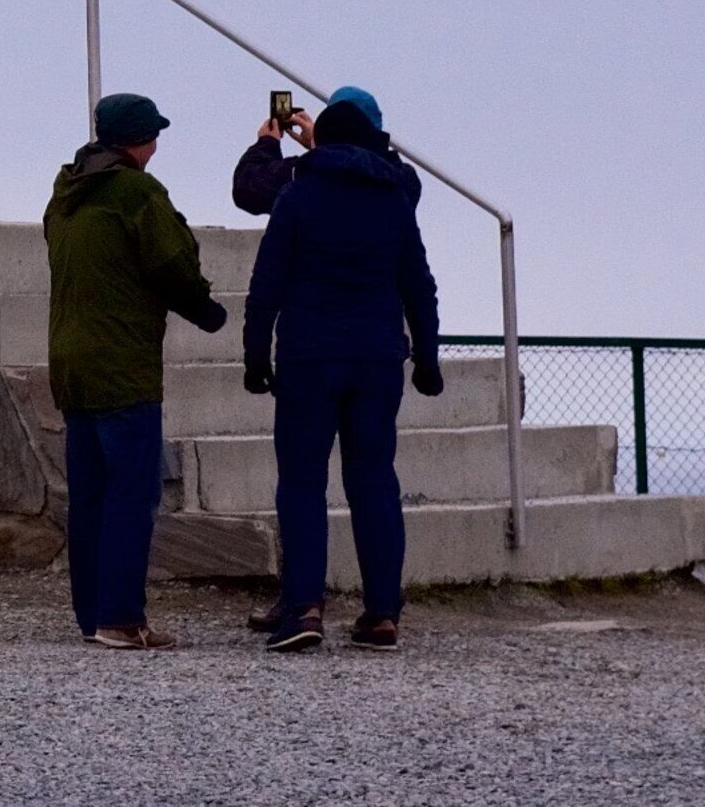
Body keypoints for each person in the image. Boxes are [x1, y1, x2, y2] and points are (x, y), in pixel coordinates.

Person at [242, 95, 445, 653]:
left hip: (309, 357)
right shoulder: (395, 198)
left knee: (302, 481)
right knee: (374, 481)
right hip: (378, 359)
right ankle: (382, 613)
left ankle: (305, 607)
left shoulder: (298, 195)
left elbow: (266, 287)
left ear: (321, 140)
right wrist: (427, 358)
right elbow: (419, 286)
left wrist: (255, 356)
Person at [44, 92, 229, 649]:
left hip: (72, 365)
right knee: (129, 494)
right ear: (140, 141)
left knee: (91, 498)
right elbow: (172, 264)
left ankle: (93, 615)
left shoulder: (66, 194)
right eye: (155, 135)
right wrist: (208, 311)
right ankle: (122, 619)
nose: (158, 145)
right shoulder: (136, 192)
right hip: (123, 367)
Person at [231, 85, 417, 217]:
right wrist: (321, 145)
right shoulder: (404, 180)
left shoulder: (309, 173)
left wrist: (267, 142)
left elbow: (248, 187)